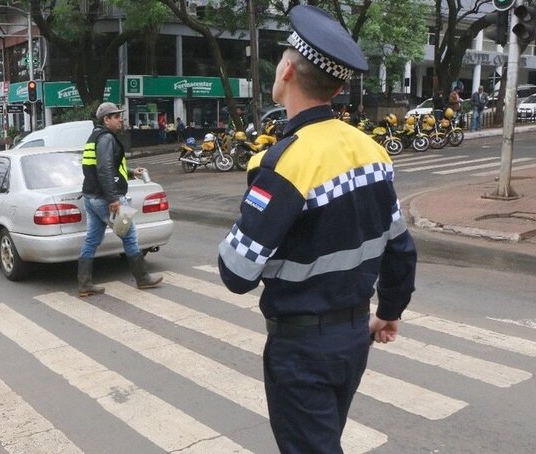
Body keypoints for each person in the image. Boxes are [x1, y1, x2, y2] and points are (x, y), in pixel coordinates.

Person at [218, 5, 417, 453]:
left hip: (301, 348)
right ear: (340, 86)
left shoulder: (282, 163)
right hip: (352, 340)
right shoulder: (373, 153)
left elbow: (235, 272)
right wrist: (389, 312)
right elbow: (400, 249)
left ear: (286, 70)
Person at [78, 102, 163, 297]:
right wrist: (113, 199)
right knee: (130, 235)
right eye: (116, 116)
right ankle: (143, 279)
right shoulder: (107, 138)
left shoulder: (95, 137)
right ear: (106, 120)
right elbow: (104, 169)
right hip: (106, 199)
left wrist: (132, 172)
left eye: (119, 116)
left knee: (92, 239)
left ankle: (84, 284)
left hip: (91, 197)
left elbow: (110, 168)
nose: (120, 119)